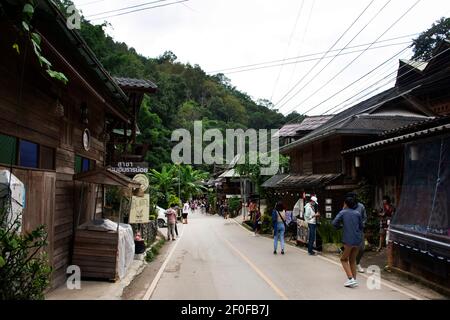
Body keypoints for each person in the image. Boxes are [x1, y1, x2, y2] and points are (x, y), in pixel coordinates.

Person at [332, 196, 363, 288]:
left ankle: (350, 279)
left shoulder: (343, 212)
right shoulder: (357, 213)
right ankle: (354, 280)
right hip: (357, 240)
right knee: (352, 260)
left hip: (348, 240)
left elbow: (334, 223)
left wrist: (341, 227)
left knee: (343, 259)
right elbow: (361, 226)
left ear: (345, 204)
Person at [346, 192, 367, 273]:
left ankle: (357, 263)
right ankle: (352, 263)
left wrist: (362, 225)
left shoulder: (361, 206)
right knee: (351, 248)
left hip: (359, 230)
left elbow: (364, 218)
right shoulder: (346, 206)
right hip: (350, 230)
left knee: (361, 248)